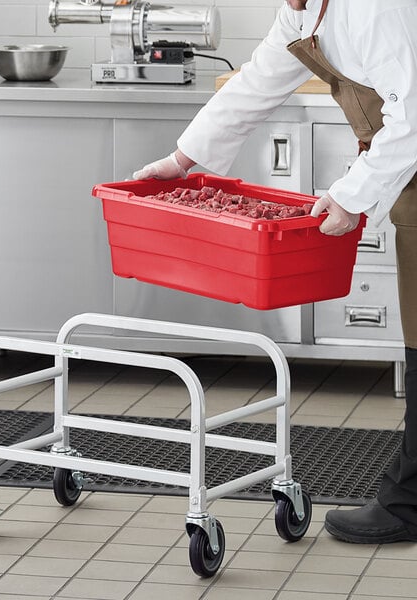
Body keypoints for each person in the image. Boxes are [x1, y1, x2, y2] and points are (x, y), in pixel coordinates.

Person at [133, 0, 417, 544]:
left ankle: (411, 502)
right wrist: (182, 160)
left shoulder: (376, 7)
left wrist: (352, 197)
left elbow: (413, 109)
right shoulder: (304, 10)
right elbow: (257, 82)